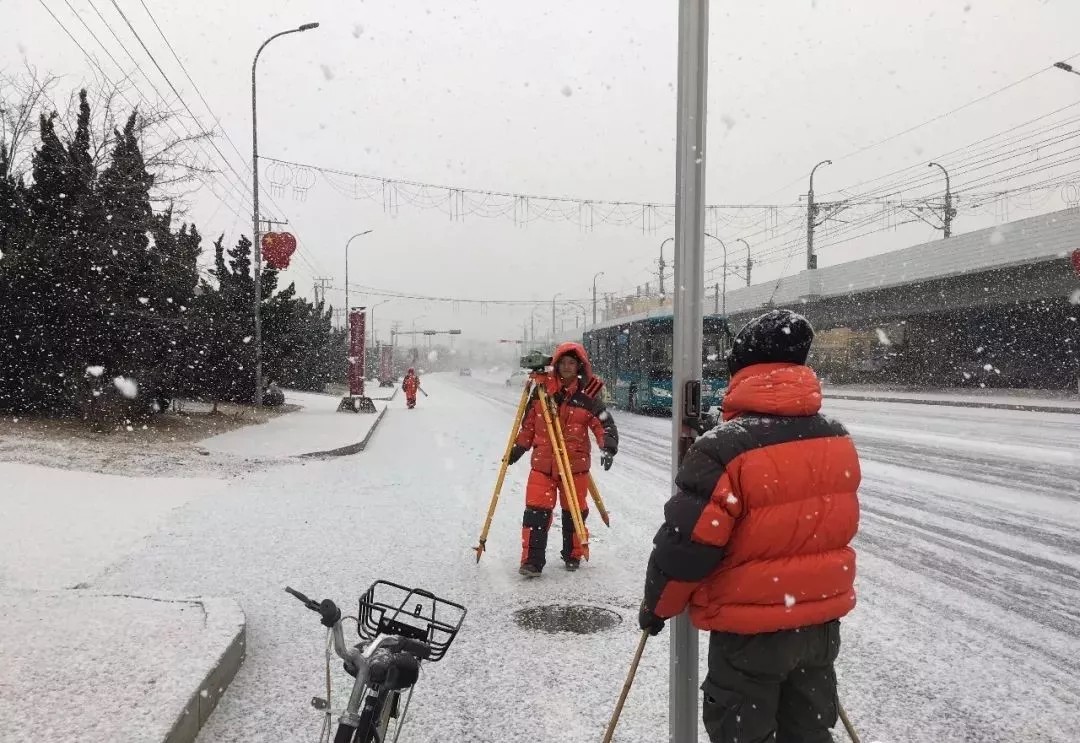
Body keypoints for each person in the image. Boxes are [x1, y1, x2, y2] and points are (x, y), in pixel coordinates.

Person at [637, 309, 861, 743]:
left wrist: (657, 606)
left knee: (743, 734)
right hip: (819, 625)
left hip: (749, 634)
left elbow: (687, 547)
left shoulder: (724, 448)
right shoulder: (836, 436)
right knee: (810, 731)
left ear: (742, 370)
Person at [506, 342, 618, 576]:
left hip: (574, 466)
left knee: (574, 512)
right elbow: (529, 425)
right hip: (543, 466)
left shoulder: (588, 395)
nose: (567, 367)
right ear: (556, 365)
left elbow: (603, 423)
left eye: (572, 363)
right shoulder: (541, 390)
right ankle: (532, 562)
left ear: (579, 366)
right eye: (563, 363)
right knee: (536, 513)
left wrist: (608, 446)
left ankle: (573, 554)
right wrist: (519, 447)